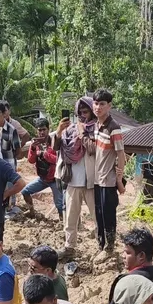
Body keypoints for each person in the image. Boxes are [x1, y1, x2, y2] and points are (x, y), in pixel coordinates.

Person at [55, 97, 97, 249]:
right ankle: (69, 247)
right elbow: (56, 147)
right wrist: (59, 131)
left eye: (85, 111)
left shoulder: (96, 128)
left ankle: (102, 246)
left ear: (92, 112)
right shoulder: (70, 129)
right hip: (73, 181)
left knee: (97, 217)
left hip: (91, 182)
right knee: (70, 220)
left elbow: (93, 149)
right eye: (79, 112)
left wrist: (82, 133)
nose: (82, 115)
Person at [92, 89, 127, 250]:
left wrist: (119, 178)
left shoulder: (114, 127)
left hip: (108, 179)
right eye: (96, 103)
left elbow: (121, 155)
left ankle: (110, 247)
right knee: (98, 214)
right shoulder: (96, 125)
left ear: (109, 106)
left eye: (102, 104)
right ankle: (101, 245)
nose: (98, 107)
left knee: (108, 215)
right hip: (97, 178)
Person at [22, 118, 64, 220]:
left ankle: (63, 221)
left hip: (55, 179)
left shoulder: (55, 142)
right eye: (39, 130)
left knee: (59, 204)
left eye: (43, 129)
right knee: (25, 192)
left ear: (48, 130)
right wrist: (32, 149)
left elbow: (59, 160)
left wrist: (45, 154)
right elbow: (31, 161)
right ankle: (31, 212)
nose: (41, 132)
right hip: (42, 178)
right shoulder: (35, 144)